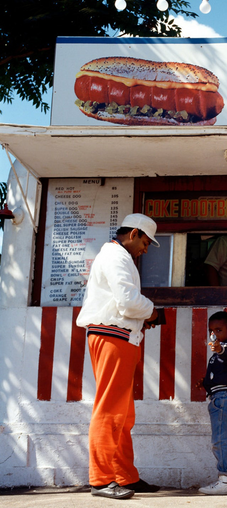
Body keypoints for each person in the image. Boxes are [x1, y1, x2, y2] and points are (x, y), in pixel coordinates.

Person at [76, 213, 161, 500]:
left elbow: (121, 303)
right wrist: (152, 311)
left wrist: (142, 317)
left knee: (123, 414)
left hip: (118, 336)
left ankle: (125, 476)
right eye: (146, 242)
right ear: (134, 233)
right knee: (111, 409)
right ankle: (101, 480)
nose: (145, 250)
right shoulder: (116, 256)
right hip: (113, 337)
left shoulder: (116, 256)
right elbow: (127, 301)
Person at [196, 311, 227, 495]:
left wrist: (220, 349)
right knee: (226, 440)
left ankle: (224, 479)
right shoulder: (216, 353)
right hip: (221, 397)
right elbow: (219, 374)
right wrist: (205, 383)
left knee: (219, 440)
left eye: (218, 330)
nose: (213, 334)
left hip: (223, 399)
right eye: (210, 331)